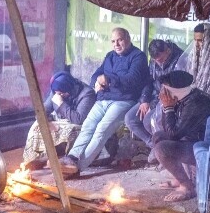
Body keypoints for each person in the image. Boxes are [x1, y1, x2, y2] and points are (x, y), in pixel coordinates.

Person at [59, 27, 150, 176]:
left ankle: (77, 168)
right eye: (113, 41)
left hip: (124, 100)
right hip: (103, 99)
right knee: (88, 125)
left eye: (120, 40)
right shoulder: (110, 56)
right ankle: (72, 157)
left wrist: (108, 79)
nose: (116, 44)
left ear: (128, 39)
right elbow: (96, 74)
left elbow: (132, 80)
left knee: (102, 129)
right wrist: (96, 81)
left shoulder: (138, 56)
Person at [152, 70, 210, 202]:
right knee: (158, 136)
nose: (163, 93)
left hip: (209, 147)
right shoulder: (185, 98)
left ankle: (187, 186)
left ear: (176, 89)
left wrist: (168, 108)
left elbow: (173, 134)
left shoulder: (195, 103)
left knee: (162, 149)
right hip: (195, 141)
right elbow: (167, 130)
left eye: (165, 88)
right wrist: (166, 107)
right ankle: (180, 179)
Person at [21, 71, 96, 170]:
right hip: (60, 120)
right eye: (57, 93)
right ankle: (37, 159)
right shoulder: (56, 91)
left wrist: (61, 104)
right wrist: (47, 121)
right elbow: (42, 111)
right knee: (37, 126)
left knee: (69, 131)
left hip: (79, 124)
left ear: (69, 88)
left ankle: (68, 161)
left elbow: (78, 119)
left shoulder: (87, 93)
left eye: (61, 93)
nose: (58, 95)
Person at [124, 39, 183, 157]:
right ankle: (155, 146)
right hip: (153, 97)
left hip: (169, 98)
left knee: (149, 121)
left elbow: (173, 88)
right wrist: (144, 100)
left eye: (160, 59)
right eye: (155, 60)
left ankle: (167, 150)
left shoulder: (180, 59)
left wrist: (153, 105)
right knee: (130, 119)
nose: (158, 62)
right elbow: (148, 81)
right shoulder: (154, 61)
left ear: (167, 50)